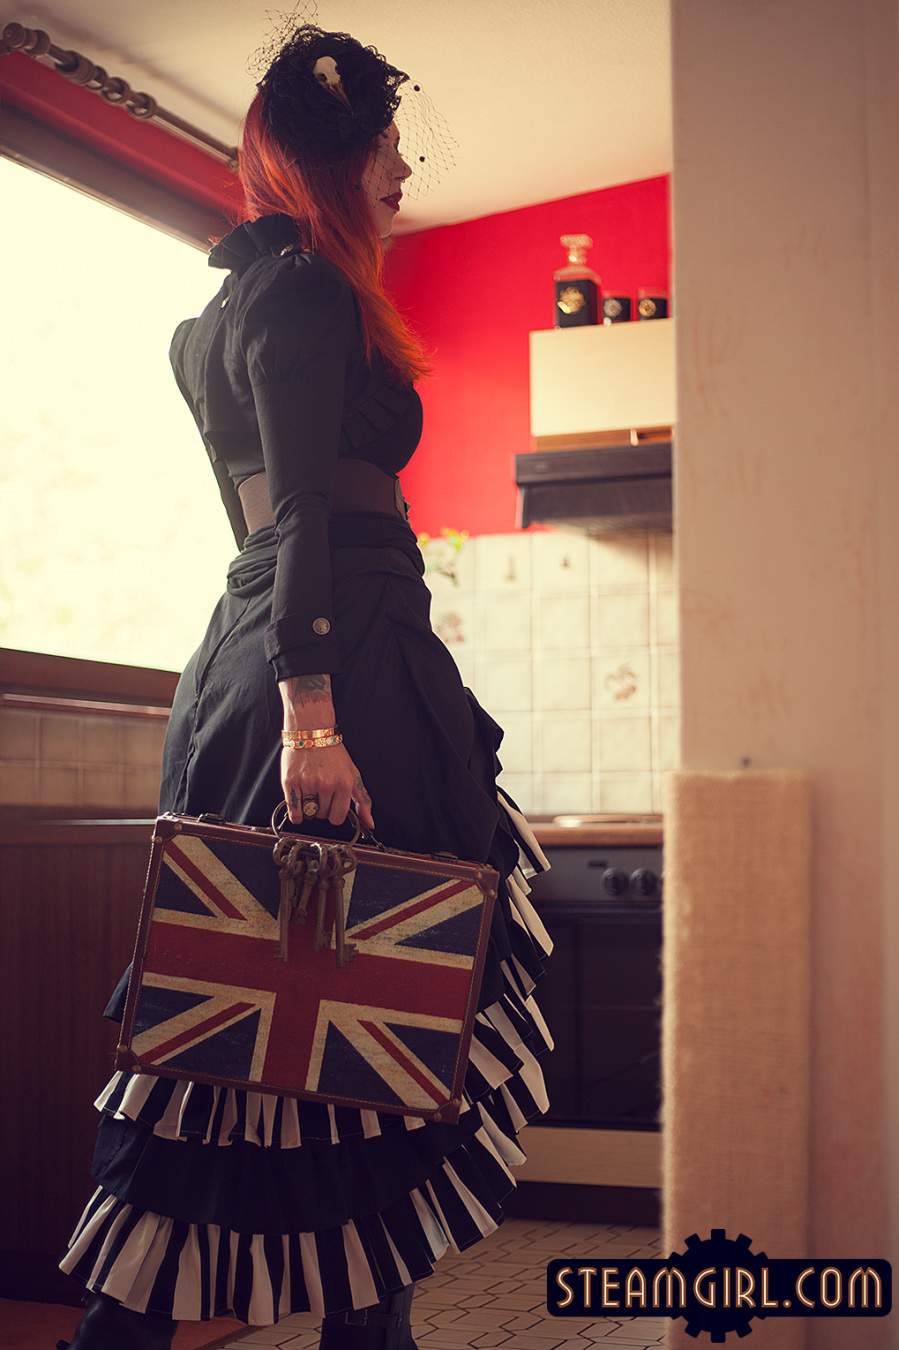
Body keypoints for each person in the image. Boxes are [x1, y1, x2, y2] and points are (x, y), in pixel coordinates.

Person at [56, 22, 553, 1350]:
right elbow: (298, 529)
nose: (405, 172)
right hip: (331, 679)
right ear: (339, 162)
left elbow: (269, 525)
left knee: (288, 1012)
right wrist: (315, 715)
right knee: (354, 1002)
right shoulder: (306, 295)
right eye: (390, 149)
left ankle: (341, 1331)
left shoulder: (219, 318)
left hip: (280, 665)